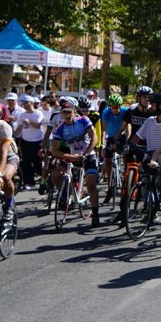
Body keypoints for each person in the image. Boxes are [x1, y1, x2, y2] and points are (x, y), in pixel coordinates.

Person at [50, 97, 102, 227]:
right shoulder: (60, 129)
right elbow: (55, 150)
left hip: (88, 155)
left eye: (69, 112)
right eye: (64, 112)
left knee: (90, 182)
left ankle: (95, 214)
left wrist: (85, 153)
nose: (67, 115)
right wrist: (70, 156)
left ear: (74, 112)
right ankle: (66, 195)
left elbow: (94, 138)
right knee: (55, 174)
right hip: (73, 156)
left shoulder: (84, 120)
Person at [15, 95, 45, 191]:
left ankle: (44, 177)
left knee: (37, 162)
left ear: (31, 103)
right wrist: (14, 134)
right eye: (23, 103)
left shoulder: (38, 113)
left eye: (26, 102)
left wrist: (30, 121)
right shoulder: (22, 115)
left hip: (36, 141)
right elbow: (19, 127)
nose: (24, 105)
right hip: (25, 141)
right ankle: (29, 182)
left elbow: (38, 126)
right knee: (26, 163)